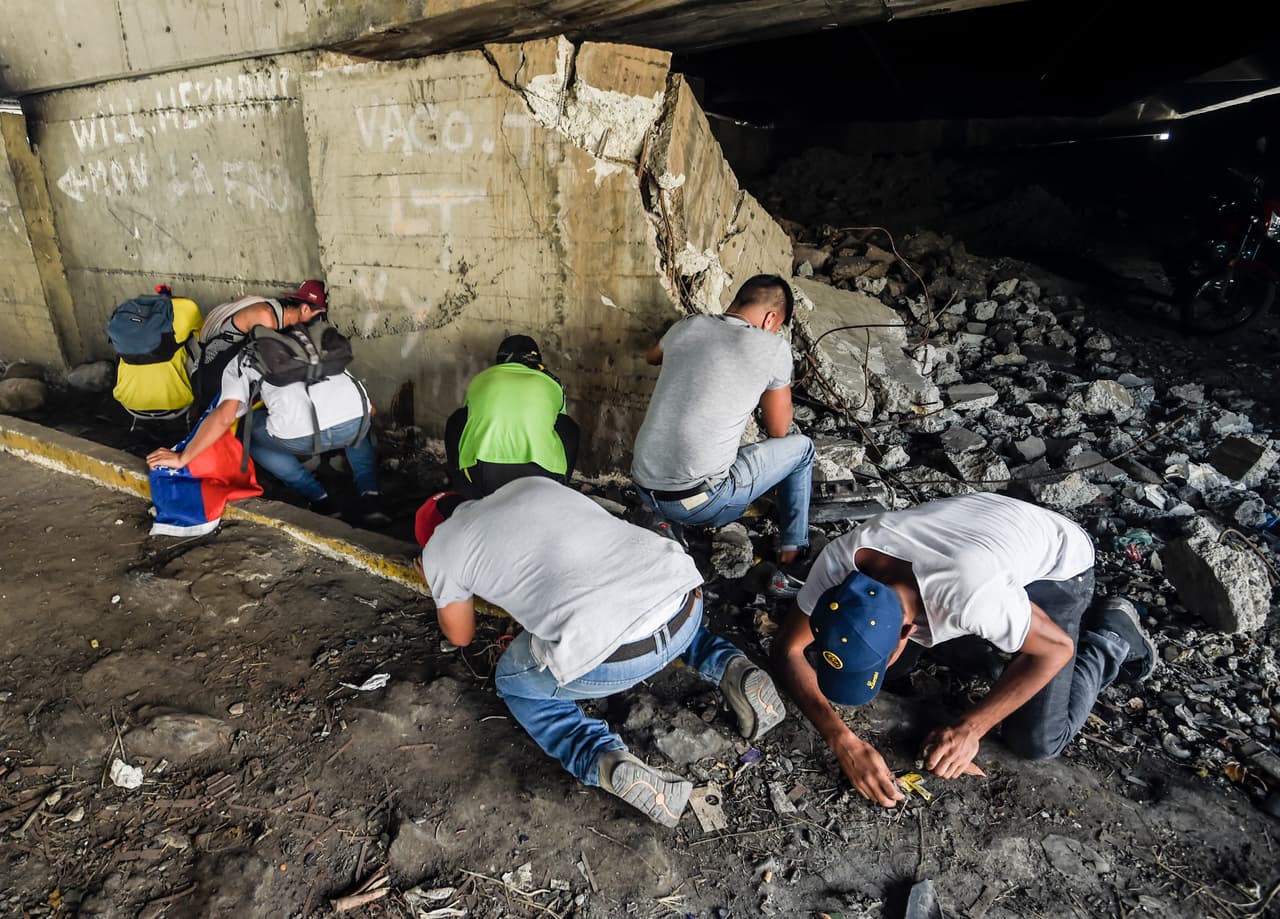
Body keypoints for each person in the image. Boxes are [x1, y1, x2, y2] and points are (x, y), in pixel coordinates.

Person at [413, 478, 786, 827]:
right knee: (658, 609)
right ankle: (733, 669)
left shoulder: (441, 548)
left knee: (515, 683)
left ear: (430, 538)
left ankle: (603, 759)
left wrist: (436, 581)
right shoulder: (529, 485)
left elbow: (460, 636)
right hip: (684, 597)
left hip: (615, 656)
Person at [772, 492, 1157, 808]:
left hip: (1058, 566)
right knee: (892, 670)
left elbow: (1055, 650)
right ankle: (1005, 648)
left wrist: (971, 728)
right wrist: (843, 740)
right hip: (981, 535)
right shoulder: (841, 563)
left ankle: (1111, 636)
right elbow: (788, 649)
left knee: (1036, 740)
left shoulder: (969, 599)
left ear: (909, 629)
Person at [630, 274, 814, 595]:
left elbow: (652, 356)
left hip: (644, 486)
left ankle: (661, 522)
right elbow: (778, 430)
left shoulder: (687, 326)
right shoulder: (771, 345)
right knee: (803, 450)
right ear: (772, 319)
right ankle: (792, 554)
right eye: (776, 324)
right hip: (701, 504)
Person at [147, 316, 388, 526]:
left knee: (249, 433)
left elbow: (224, 417)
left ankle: (320, 500)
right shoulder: (315, 344)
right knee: (360, 419)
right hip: (354, 425)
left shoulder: (245, 357)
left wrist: (183, 457)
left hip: (297, 438)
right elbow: (372, 409)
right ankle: (372, 498)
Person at [444, 335, 580, 499]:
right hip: (543, 480)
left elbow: (466, 423)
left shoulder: (481, 380)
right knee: (568, 427)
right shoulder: (551, 383)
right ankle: (560, 488)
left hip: (482, 479)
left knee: (458, 420)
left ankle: (463, 488)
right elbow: (563, 429)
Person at [192, 279, 328, 408]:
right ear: (305, 309)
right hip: (213, 366)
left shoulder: (286, 318)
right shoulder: (266, 318)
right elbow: (268, 367)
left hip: (233, 366)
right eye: (319, 315)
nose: (319, 321)